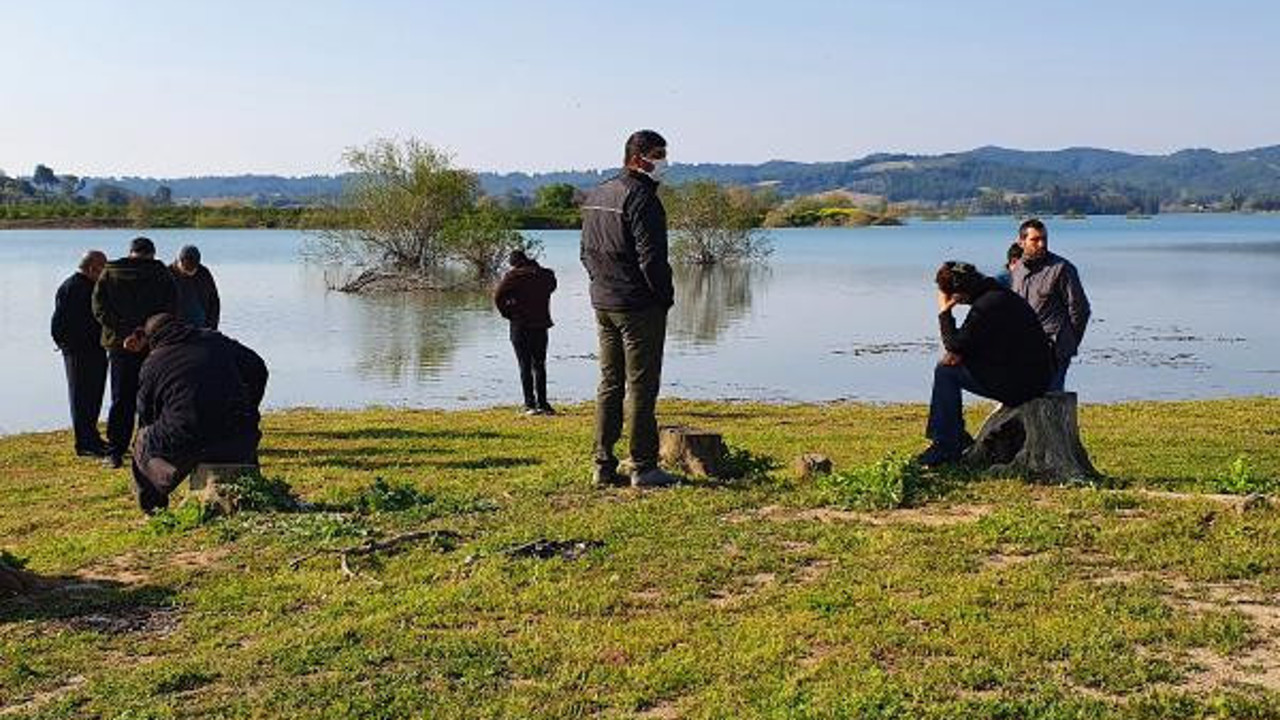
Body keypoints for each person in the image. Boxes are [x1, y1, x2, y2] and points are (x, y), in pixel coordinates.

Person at [580, 129, 677, 488]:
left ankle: (603, 465)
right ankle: (643, 466)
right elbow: (652, 259)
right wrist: (664, 296)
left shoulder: (598, 194)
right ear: (637, 158)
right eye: (658, 154)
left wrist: (600, 284)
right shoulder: (643, 198)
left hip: (604, 301)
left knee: (609, 384)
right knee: (641, 387)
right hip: (638, 306)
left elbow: (584, 253)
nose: (664, 162)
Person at [918, 261, 1054, 467]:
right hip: (1033, 377)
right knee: (949, 368)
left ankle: (946, 445)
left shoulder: (987, 305)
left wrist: (944, 312)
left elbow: (956, 344)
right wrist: (960, 353)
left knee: (946, 373)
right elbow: (973, 343)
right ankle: (953, 436)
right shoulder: (998, 296)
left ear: (958, 295)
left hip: (1024, 385)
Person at [130, 313, 268, 514]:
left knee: (143, 438)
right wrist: (249, 404)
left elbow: (146, 414)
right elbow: (258, 368)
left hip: (186, 438)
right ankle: (249, 492)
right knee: (238, 421)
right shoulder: (216, 341)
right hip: (239, 435)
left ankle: (153, 507)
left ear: (153, 339)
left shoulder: (153, 362)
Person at [92, 236, 177, 469]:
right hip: (152, 344)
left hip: (120, 345)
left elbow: (99, 308)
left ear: (131, 252)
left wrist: (126, 333)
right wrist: (143, 334)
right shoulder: (162, 274)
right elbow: (170, 309)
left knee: (121, 398)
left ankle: (115, 452)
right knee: (152, 396)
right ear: (152, 253)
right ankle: (148, 448)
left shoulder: (110, 272)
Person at [1010, 218, 1091, 391]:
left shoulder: (1062, 269)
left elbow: (1080, 310)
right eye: (1035, 240)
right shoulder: (1017, 270)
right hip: (1026, 348)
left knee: (1051, 400)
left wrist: (1069, 341)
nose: (1041, 244)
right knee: (1028, 400)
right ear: (1021, 242)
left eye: (1044, 239)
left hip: (1055, 349)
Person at [51, 250, 110, 457]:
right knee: (81, 397)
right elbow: (58, 324)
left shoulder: (95, 286)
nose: (106, 271)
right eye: (104, 266)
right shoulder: (70, 287)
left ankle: (93, 438)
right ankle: (84, 444)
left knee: (94, 395)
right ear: (92, 268)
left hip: (97, 349)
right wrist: (66, 345)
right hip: (78, 352)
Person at [494, 250, 557, 415]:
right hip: (541, 325)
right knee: (540, 365)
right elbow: (552, 287)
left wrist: (508, 312)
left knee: (525, 365)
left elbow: (498, 296)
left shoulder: (514, 276)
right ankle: (543, 404)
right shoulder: (546, 275)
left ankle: (530, 404)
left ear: (515, 263)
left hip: (520, 325)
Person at [170, 245, 220, 330]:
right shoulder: (168, 274)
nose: (191, 272)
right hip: (177, 330)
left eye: (193, 268)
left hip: (202, 328)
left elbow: (214, 300)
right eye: (187, 269)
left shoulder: (204, 273)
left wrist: (212, 327)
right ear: (179, 261)